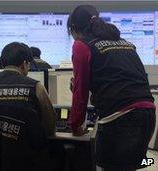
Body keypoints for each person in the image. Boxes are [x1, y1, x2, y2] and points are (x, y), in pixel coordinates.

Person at [67, 5, 156, 171]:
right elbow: (122, 80)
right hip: (148, 113)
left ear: (73, 29)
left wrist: (75, 125)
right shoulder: (126, 43)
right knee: (130, 166)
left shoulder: (81, 45)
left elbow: (80, 91)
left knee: (104, 166)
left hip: (119, 118)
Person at [0, 42, 57, 170]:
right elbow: (50, 126)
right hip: (25, 160)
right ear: (25, 64)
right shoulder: (35, 86)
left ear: (3, 63)